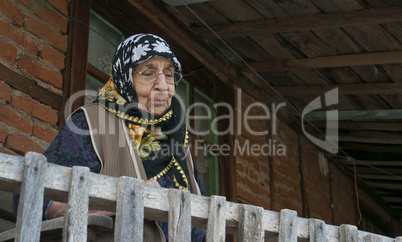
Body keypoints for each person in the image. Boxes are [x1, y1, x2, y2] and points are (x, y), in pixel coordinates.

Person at [13, 33, 206, 241]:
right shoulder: (92, 122)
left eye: (169, 74)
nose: (162, 85)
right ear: (125, 77)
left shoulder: (178, 138)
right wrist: (128, 199)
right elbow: (37, 200)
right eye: (149, 73)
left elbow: (204, 218)